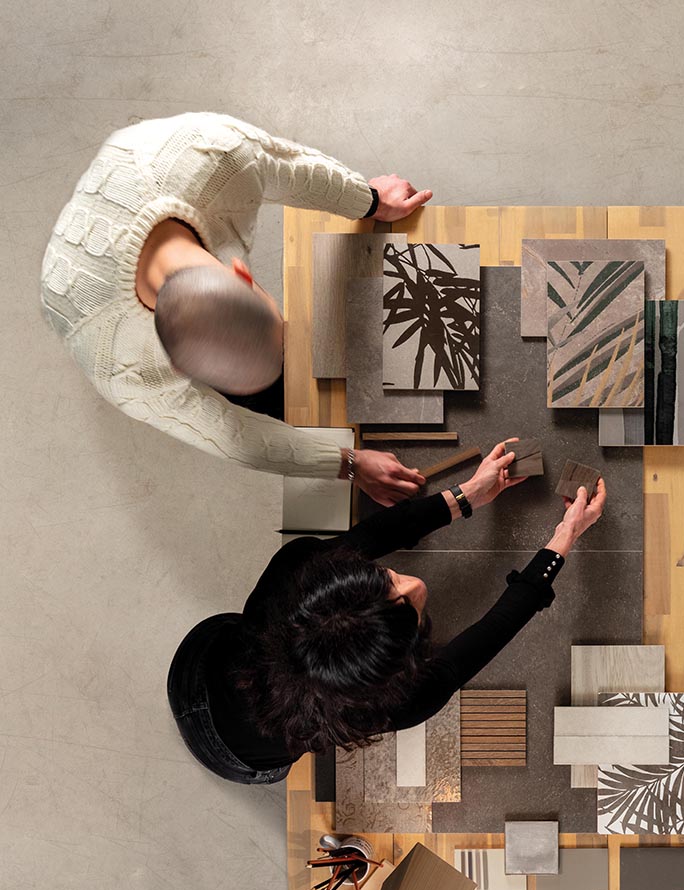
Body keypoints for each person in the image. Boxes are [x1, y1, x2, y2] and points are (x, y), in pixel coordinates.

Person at [40, 111, 432, 504]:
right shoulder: (124, 372)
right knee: (279, 399)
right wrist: (348, 463)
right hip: (80, 295)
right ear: (178, 369)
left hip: (141, 166)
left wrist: (370, 201)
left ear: (242, 275)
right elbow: (228, 432)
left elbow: (289, 169)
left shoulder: (211, 152)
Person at [166, 440, 607, 783]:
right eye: (408, 614)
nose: (415, 583)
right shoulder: (399, 704)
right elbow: (493, 631)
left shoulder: (296, 569)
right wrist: (563, 541)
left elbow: (372, 534)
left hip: (198, 664)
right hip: (238, 755)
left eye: (385, 579)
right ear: (390, 672)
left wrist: (468, 494)